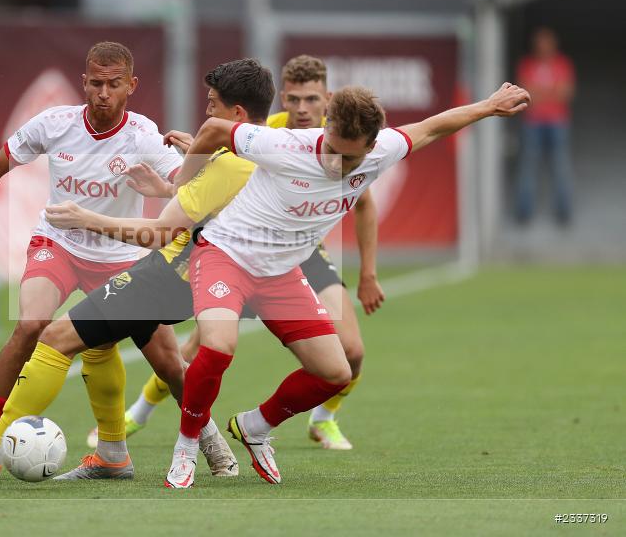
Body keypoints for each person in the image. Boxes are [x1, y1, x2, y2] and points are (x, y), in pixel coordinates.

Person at [163, 82, 531, 488]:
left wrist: (489, 106)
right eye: (332, 150)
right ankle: (187, 445)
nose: (336, 164)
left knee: (335, 372)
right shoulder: (284, 144)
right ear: (326, 128)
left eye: (350, 157)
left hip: (281, 272)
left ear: (372, 147)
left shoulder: (384, 149)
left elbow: (433, 126)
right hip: (226, 254)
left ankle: (255, 426)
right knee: (218, 346)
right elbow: (215, 128)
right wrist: (182, 182)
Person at [0, 42, 185, 484]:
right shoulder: (54, 123)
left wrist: (167, 186)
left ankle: (203, 438)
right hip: (58, 243)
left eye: (113, 84)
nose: (103, 93)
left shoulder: (143, 135)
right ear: (84, 82)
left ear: (131, 86)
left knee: (168, 363)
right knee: (31, 325)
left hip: (119, 257)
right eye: (95, 83)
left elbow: (188, 188)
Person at [107, 54, 383, 451]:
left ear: (328, 100)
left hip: (307, 250)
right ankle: (141, 411)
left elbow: (365, 203)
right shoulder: (267, 131)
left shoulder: (344, 136)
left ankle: (324, 420)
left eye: (312, 99)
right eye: (294, 99)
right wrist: (192, 162)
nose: (302, 109)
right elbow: (222, 169)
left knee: (351, 351)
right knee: (202, 346)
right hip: (247, 247)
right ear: (283, 99)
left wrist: (368, 273)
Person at [515, 27, 575, 225]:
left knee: (561, 166)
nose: (543, 46)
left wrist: (539, 93)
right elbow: (524, 95)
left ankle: (563, 212)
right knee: (528, 167)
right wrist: (551, 91)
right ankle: (524, 213)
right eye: (540, 42)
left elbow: (566, 93)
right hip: (533, 122)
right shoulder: (527, 64)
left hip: (558, 121)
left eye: (547, 42)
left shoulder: (562, 63)